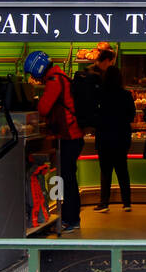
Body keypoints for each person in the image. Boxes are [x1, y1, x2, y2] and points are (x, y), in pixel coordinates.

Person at [26, 50, 83, 234]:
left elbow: (43, 108)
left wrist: (35, 102)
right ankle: (69, 216)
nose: (35, 78)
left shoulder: (54, 81)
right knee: (68, 178)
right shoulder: (60, 76)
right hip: (72, 136)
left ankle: (71, 218)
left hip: (69, 136)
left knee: (68, 179)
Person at [94, 64, 135, 212]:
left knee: (105, 171)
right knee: (122, 171)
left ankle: (104, 203)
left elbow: (96, 116)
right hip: (121, 138)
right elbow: (131, 116)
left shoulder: (101, 94)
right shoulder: (126, 95)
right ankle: (127, 203)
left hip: (104, 137)